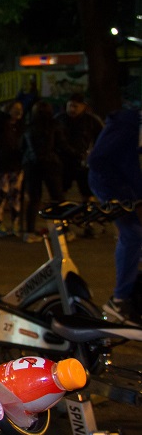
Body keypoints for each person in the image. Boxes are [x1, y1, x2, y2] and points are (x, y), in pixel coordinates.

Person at [87, 107, 142, 326]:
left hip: (130, 189)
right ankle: (119, 301)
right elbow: (96, 160)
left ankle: (134, 293)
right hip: (110, 186)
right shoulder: (127, 126)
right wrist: (125, 195)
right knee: (133, 235)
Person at [20, 100, 66, 243]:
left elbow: (22, 147)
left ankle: (29, 231)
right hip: (50, 163)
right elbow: (61, 144)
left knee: (34, 199)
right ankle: (62, 230)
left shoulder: (29, 127)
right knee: (57, 198)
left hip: (32, 164)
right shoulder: (54, 125)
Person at [55, 93, 103, 202]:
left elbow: (102, 138)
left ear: (83, 106)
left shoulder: (91, 120)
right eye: (70, 106)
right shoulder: (60, 119)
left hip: (82, 161)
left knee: (86, 192)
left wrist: (93, 153)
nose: (72, 109)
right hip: (63, 161)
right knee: (60, 191)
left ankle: (87, 210)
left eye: (75, 106)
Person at [0, 100, 24, 237]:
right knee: (1, 195)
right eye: (15, 108)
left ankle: (15, 224)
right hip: (2, 165)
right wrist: (3, 115)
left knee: (15, 195)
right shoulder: (1, 123)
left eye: (20, 108)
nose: (18, 111)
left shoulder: (20, 126)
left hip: (16, 165)